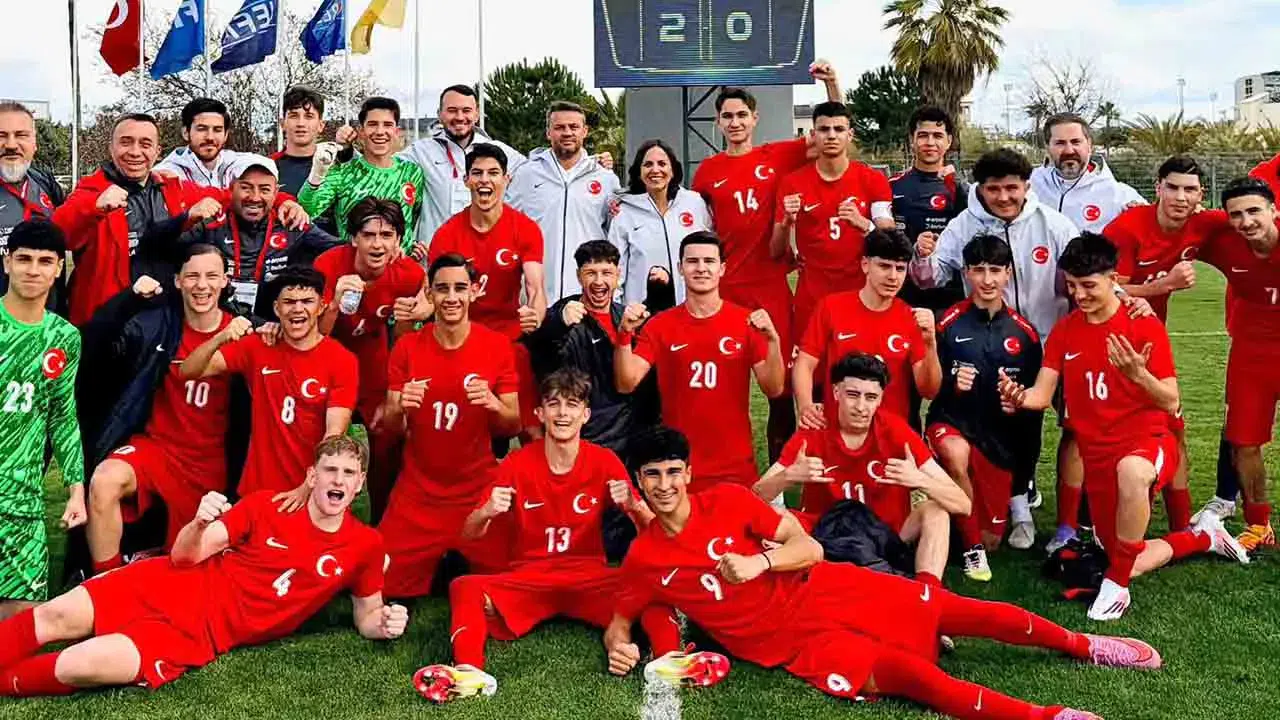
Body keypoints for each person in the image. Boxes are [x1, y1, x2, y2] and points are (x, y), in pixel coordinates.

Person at [605, 425, 1165, 720]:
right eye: (651, 475)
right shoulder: (644, 558)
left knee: (957, 611)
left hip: (828, 588)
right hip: (794, 645)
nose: (664, 485)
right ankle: (1048, 717)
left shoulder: (728, 500)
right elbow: (621, 620)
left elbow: (809, 547)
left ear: (689, 473)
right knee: (913, 678)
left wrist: (760, 562)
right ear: (638, 480)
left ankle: (1085, 645)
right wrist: (620, 648)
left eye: (673, 472)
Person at [0, 436, 408, 697]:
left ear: (359, 483)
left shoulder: (365, 545)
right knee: (54, 616)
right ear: (312, 476)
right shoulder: (266, 506)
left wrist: (386, 623)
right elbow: (184, 557)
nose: (338, 480)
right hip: (169, 582)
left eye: (348, 473)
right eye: (330, 470)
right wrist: (198, 523)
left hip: (199, 633)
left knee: (81, 663)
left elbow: (367, 616)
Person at [997, 232, 1248, 621]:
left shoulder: (1142, 325)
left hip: (1147, 440)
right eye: (1072, 285)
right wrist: (1018, 397)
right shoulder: (1066, 331)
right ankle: (1203, 537)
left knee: (1130, 479)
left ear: (1113, 279)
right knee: (1125, 556)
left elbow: (1170, 400)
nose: (1079, 294)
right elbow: (1042, 396)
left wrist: (1138, 375)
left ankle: (1116, 587)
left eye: (1088, 285)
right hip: (1097, 458)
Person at [413, 369, 681, 703]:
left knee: (654, 580)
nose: (562, 413)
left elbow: (656, 534)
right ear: (540, 413)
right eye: (554, 404)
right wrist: (486, 512)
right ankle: (468, 670)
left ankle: (671, 659)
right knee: (463, 587)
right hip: (530, 577)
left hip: (588, 577)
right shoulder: (516, 463)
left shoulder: (604, 461)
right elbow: (468, 536)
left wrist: (635, 506)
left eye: (572, 404)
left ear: (585, 414)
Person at [911, 147, 1077, 550]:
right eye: (994, 189)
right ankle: (983, 509)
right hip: (980, 338)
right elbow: (932, 277)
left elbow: (1083, 276)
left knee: (1039, 424)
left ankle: (1029, 504)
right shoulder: (964, 224)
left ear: (1027, 186)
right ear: (981, 189)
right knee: (992, 420)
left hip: (1044, 343)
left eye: (1011, 188)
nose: (1003, 197)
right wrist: (922, 256)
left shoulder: (1053, 224)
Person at [689, 75, 830, 461]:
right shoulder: (707, 171)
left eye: (741, 115)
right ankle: (718, 466)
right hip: (726, 290)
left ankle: (780, 477)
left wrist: (832, 85)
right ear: (718, 122)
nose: (735, 122)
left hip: (769, 287)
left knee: (780, 390)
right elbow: (689, 218)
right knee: (720, 386)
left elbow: (829, 132)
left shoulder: (776, 155)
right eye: (727, 116)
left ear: (755, 118)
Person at [83, 244, 236, 575]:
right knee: (104, 481)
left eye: (212, 276)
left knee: (189, 571)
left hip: (208, 464)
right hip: (157, 448)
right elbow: (95, 343)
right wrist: (129, 299)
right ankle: (105, 583)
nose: (202, 285)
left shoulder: (242, 331)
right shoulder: (156, 325)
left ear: (225, 280)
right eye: (192, 276)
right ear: (177, 281)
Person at [377, 253, 521, 599]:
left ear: (474, 291)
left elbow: (513, 425)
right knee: (380, 582)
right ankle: (441, 559)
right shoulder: (408, 347)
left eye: (460, 288)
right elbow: (391, 429)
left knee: (507, 583)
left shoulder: (496, 346)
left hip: (476, 486)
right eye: (442, 289)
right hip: (419, 490)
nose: (451, 297)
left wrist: (493, 404)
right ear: (429, 293)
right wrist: (399, 407)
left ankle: (455, 556)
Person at [756, 353, 969, 586]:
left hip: (885, 535)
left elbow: (963, 505)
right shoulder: (816, 430)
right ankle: (801, 570)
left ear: (880, 399)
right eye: (852, 395)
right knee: (775, 516)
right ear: (836, 392)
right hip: (827, 536)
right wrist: (788, 476)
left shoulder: (896, 431)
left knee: (935, 512)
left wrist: (920, 480)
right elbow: (754, 498)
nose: (861, 407)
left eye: (870, 397)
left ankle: (926, 594)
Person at [614, 231, 784, 489]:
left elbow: (774, 388)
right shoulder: (660, 325)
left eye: (709, 261)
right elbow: (626, 383)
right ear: (680, 268)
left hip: (735, 467)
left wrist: (773, 341)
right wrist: (624, 335)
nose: (701, 268)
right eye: (693, 261)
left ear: (722, 268)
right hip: (678, 465)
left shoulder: (745, 322)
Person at [180, 266, 358, 498]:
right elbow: (188, 370)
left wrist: (308, 488)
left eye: (307, 301)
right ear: (276, 308)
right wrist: (221, 337)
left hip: (309, 493)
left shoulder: (342, 360)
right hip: (257, 490)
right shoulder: (258, 345)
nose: (297, 309)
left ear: (321, 307)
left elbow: (334, 434)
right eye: (289, 302)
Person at [927, 236, 1042, 579]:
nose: (987, 280)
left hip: (997, 442)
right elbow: (926, 385)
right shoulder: (946, 324)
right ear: (966, 273)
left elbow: (1033, 412)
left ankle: (977, 533)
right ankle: (972, 551)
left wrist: (1016, 403)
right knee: (954, 454)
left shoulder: (1025, 334)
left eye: (995, 270)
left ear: (1009, 273)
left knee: (994, 538)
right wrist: (951, 382)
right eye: (978, 270)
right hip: (952, 423)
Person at [314, 198, 427, 524]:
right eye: (369, 235)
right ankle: (319, 521)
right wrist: (333, 303)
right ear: (353, 238)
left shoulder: (409, 274)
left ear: (398, 241)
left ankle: (383, 524)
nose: (378, 245)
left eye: (387, 235)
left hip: (372, 358)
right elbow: (314, 336)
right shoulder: (328, 266)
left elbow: (404, 338)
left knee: (387, 438)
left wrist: (416, 314)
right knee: (321, 440)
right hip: (328, 359)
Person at [52, 114, 223, 326]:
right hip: (107, 323)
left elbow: (232, 196)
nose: (135, 152)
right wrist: (94, 207)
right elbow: (57, 234)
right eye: (126, 142)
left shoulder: (171, 187)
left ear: (157, 152)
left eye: (145, 144)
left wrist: (271, 196)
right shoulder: (92, 191)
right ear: (111, 148)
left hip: (164, 321)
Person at [428, 142, 546, 438]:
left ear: (506, 179)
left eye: (493, 173)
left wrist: (535, 314)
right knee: (459, 432)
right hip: (462, 340)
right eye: (477, 173)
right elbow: (432, 294)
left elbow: (535, 286)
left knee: (531, 430)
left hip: (510, 339)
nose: (485, 180)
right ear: (466, 180)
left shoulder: (525, 228)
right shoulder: (447, 234)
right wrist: (413, 308)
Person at [0, 221, 84, 620]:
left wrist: (76, 490)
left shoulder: (64, 337)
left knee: (22, 624)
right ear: (7, 263)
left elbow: (63, 417)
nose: (33, 270)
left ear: (58, 269)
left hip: (24, 498)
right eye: (24, 259)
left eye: (45, 261)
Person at [1194, 178, 1280, 550]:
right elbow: (1171, 230)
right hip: (1251, 355)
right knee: (1243, 442)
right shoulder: (1224, 242)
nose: (1246, 221)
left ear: (1274, 210)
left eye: (1254, 211)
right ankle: (1258, 524)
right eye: (1236, 215)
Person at [155, 155, 342, 319]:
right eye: (246, 187)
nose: (255, 197)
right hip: (219, 323)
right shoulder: (211, 222)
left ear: (276, 192)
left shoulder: (291, 221)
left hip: (273, 327)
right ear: (231, 188)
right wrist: (185, 219)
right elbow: (158, 249)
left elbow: (343, 250)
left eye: (265, 190)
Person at [792, 228, 941, 431]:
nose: (893, 276)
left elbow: (928, 391)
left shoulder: (911, 318)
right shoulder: (831, 308)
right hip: (839, 429)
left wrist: (930, 344)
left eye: (900, 269)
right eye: (884, 266)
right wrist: (805, 406)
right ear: (865, 265)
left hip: (890, 434)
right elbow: (805, 363)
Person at [772, 101, 896, 338]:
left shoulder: (872, 180)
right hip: (812, 299)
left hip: (861, 294)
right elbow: (776, 252)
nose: (831, 136)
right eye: (824, 129)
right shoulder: (792, 183)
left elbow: (891, 241)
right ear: (813, 134)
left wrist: (865, 225)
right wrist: (787, 222)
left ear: (850, 134)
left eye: (838, 129)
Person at [525, 240, 657, 459]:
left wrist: (660, 297)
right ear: (579, 276)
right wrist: (558, 324)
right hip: (585, 439)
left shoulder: (628, 317)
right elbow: (542, 359)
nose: (598, 281)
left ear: (618, 275)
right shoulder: (564, 317)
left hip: (630, 439)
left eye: (606, 273)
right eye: (591, 273)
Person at [506, 101, 618, 302]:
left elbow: (616, 236)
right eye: (559, 127)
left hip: (589, 296)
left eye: (574, 127)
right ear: (548, 132)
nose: (567, 133)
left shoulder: (606, 179)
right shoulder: (526, 174)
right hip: (538, 297)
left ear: (585, 131)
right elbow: (507, 226)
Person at [300, 97, 426, 255]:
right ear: (360, 131)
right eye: (372, 124)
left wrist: (411, 248)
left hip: (398, 269)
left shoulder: (412, 172)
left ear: (396, 131)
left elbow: (411, 222)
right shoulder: (343, 172)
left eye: (387, 125)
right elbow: (306, 210)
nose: (380, 132)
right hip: (353, 267)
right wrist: (317, 173)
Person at [400, 85, 526, 242]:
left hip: (483, 252)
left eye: (466, 110)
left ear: (477, 114)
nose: (460, 117)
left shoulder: (502, 152)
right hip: (436, 253)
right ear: (439, 114)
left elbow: (535, 176)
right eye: (452, 110)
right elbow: (382, 166)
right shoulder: (421, 151)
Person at [608, 140, 711, 309]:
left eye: (662, 164)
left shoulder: (694, 203)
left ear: (673, 170)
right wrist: (617, 312)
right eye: (648, 164)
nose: (655, 170)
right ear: (639, 171)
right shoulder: (624, 212)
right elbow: (615, 270)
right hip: (642, 314)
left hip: (690, 309)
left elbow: (710, 251)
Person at [891, 106, 968, 311]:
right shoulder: (892, 186)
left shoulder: (962, 190)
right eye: (923, 135)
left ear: (949, 141)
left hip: (952, 296)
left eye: (937, 136)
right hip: (903, 294)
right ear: (912, 140)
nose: (930, 142)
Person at [0, 102, 66, 313]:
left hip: (46, 319)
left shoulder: (45, 183)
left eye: (21, 135)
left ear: (34, 144)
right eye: (1, 135)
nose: (11, 145)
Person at [1030, 113, 1144, 233]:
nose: (1069, 151)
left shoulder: (1120, 195)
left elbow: (1150, 230)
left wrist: (1141, 217)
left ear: (1089, 145)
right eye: (1060, 143)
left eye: (1076, 142)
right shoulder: (1030, 184)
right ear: (1047, 147)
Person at [154, 98, 249, 188]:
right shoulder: (167, 174)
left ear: (225, 135)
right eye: (202, 129)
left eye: (217, 130)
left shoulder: (240, 164)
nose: (210, 137)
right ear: (186, 133)